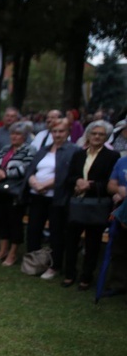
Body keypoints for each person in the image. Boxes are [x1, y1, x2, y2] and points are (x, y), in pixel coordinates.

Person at [61, 120, 120, 290]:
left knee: (92, 243)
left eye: (101, 134)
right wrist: (78, 181)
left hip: (96, 205)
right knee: (71, 241)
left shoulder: (112, 156)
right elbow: (70, 176)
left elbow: (110, 182)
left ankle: (86, 277)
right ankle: (69, 274)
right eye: (94, 133)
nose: (96, 137)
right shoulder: (79, 154)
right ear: (88, 135)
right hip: (77, 203)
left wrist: (91, 185)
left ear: (106, 137)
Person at [24, 119, 79, 280]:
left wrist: (46, 185)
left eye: (61, 131)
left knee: (56, 232)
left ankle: (54, 266)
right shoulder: (44, 149)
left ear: (68, 132)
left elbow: (67, 173)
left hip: (57, 199)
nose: (57, 134)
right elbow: (32, 169)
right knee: (33, 229)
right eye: (54, 131)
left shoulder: (73, 150)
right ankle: (34, 262)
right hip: (37, 196)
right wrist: (33, 181)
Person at [0, 122, 36, 266]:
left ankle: (13, 253)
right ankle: (3, 249)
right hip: (0, 191)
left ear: (24, 136)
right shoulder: (5, 149)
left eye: (18, 134)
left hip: (15, 192)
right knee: (1, 220)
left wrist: (4, 174)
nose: (14, 137)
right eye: (13, 134)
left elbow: (26, 168)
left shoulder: (30, 150)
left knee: (14, 222)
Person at [104, 156, 127, 297]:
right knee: (120, 250)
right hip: (122, 214)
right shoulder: (122, 161)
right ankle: (119, 284)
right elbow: (110, 186)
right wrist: (119, 189)